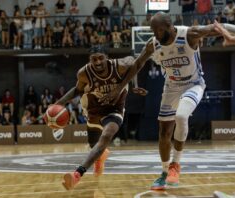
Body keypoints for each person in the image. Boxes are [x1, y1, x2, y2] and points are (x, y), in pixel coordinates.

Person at [99, 11, 235, 190]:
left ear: (169, 27)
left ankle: (175, 165)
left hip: (193, 84)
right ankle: (164, 173)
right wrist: (119, 87)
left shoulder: (189, 34)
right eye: (153, 31)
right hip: (171, 87)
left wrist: (230, 33)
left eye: (158, 31)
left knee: (181, 116)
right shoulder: (153, 44)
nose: (155, 35)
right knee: (164, 132)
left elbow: (218, 27)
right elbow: (137, 64)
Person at [51, 50, 146, 190]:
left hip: (114, 110)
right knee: (93, 143)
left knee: (107, 136)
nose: (97, 62)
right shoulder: (84, 73)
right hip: (94, 110)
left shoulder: (119, 65)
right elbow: (77, 90)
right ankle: (101, 155)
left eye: (101, 58)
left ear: (107, 58)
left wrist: (133, 85)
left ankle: (77, 174)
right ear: (90, 60)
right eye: (93, 59)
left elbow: (135, 63)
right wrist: (58, 103)